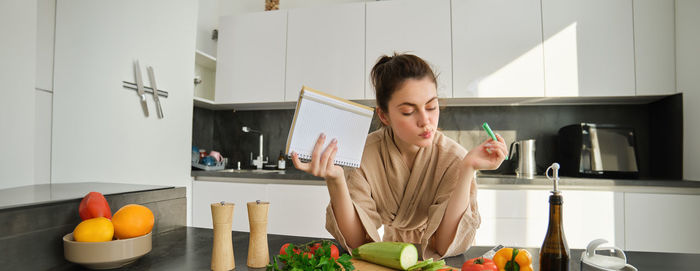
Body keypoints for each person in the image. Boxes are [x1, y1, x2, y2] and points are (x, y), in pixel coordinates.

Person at [291, 53, 507, 259]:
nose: (425, 121)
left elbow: (443, 246)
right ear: (384, 115)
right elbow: (357, 242)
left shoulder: (453, 158)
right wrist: (335, 180)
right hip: (390, 252)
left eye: (431, 106)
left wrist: (467, 168)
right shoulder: (364, 154)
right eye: (408, 111)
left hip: (435, 260)